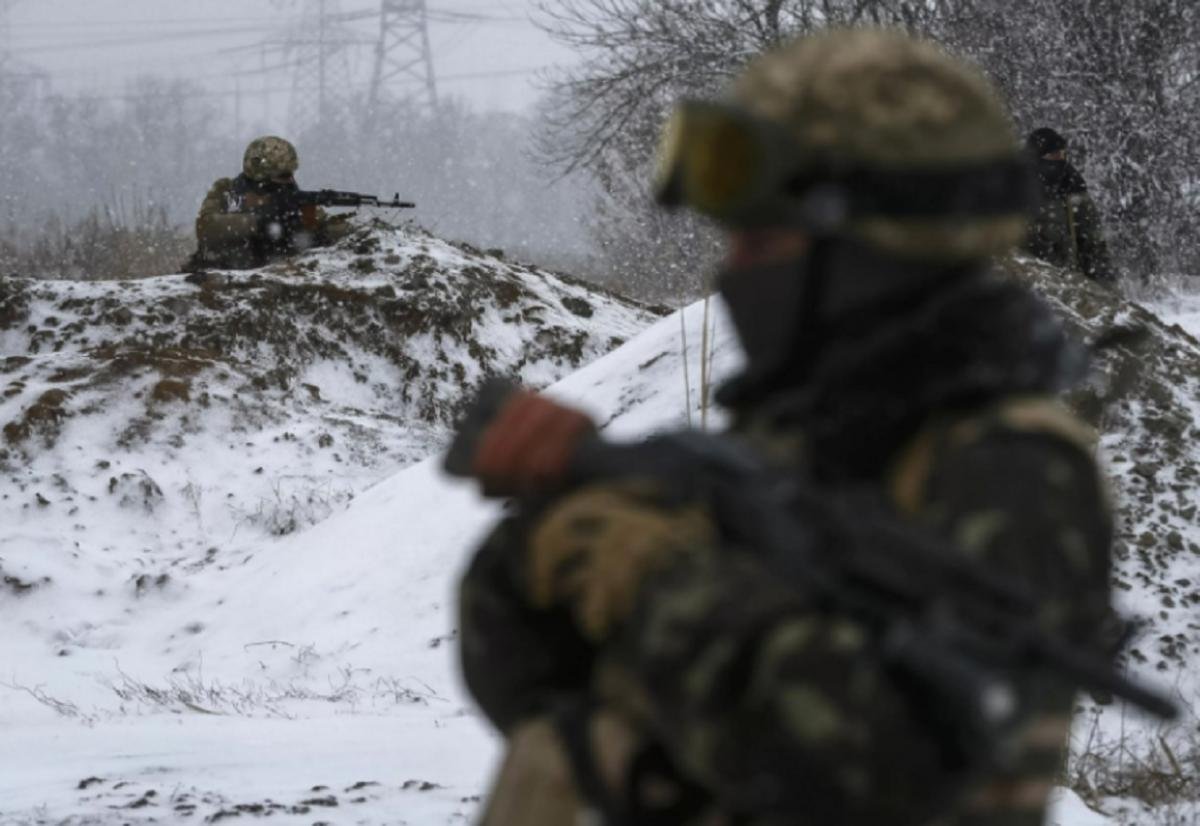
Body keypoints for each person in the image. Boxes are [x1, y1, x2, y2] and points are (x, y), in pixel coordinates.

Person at [456, 28, 1114, 826]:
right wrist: (545, 542)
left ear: (876, 239)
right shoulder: (801, 427)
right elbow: (535, 684)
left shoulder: (1011, 462)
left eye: (763, 236)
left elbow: (883, 770)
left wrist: (655, 579)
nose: (733, 267)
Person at [186, 136, 352, 271]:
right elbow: (206, 228)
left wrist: (312, 226)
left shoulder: (292, 200)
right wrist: (259, 221)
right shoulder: (227, 191)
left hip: (275, 281)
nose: (289, 181)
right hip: (223, 277)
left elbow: (330, 228)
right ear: (261, 176)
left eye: (290, 174)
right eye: (283, 176)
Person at [1023, 127, 1116, 284]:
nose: (1060, 160)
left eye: (1063, 155)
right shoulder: (1015, 190)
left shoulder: (1072, 188)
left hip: (1070, 285)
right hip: (1032, 283)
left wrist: (1108, 290)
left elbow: (1094, 248)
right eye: (1054, 156)